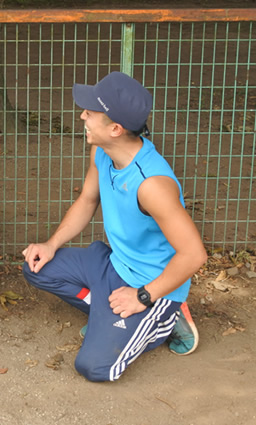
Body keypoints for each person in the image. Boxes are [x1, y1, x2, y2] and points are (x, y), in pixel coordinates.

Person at [22, 71, 208, 382]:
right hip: (113, 264)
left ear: (116, 129)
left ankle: (164, 318)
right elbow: (87, 200)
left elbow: (194, 255)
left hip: (150, 283)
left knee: (95, 368)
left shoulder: (152, 185)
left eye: (90, 113)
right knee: (37, 266)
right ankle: (105, 317)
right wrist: (51, 245)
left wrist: (143, 297)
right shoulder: (103, 150)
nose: (82, 115)